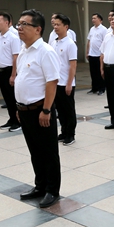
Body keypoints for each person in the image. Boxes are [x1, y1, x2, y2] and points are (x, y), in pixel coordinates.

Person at [14, 9, 61, 209]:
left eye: (24, 24)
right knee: (35, 151)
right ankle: (40, 186)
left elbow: (52, 82)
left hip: (41, 110)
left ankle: (52, 190)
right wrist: (19, 107)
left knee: (48, 152)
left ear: (38, 29)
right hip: (25, 111)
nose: (19, 27)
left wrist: (47, 110)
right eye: (19, 24)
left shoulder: (45, 51)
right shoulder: (23, 50)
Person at [51, 15, 78, 145]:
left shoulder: (70, 44)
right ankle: (63, 131)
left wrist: (69, 84)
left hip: (66, 83)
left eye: (58, 25)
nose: (55, 27)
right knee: (60, 110)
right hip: (56, 82)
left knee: (68, 110)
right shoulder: (53, 43)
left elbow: (73, 65)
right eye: (54, 24)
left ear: (66, 27)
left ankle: (70, 134)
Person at [0, 13, 21, 132]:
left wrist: (13, 75)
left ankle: (18, 121)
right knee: (6, 97)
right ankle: (11, 118)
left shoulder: (13, 37)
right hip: (1, 71)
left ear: (6, 22)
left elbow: (15, 57)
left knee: (13, 98)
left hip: (10, 70)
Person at [87, 13, 107, 95]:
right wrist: (87, 52)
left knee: (100, 72)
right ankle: (94, 88)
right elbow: (89, 41)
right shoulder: (92, 29)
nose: (93, 20)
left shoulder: (104, 29)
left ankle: (101, 88)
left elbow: (105, 42)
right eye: (92, 18)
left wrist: (103, 54)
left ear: (100, 20)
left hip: (99, 54)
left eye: (95, 18)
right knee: (93, 72)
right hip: (92, 54)